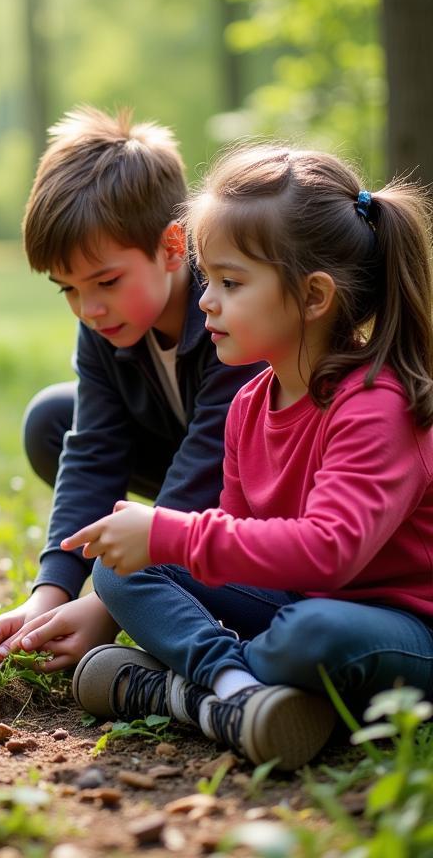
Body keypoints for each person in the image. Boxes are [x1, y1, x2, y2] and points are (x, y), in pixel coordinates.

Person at [66, 145, 433, 771]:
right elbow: (242, 548)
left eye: (232, 283)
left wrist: (173, 533)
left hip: (396, 628)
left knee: (314, 633)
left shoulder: (376, 403)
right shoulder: (250, 403)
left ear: (314, 296)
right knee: (117, 572)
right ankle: (238, 694)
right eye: (208, 279)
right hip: (292, 602)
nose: (206, 301)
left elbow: (329, 552)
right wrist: (161, 548)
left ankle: (181, 691)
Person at [0, 107, 263, 675]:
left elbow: (213, 461)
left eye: (105, 282)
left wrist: (108, 603)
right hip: (186, 454)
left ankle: (178, 578)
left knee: (201, 493)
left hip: (253, 482)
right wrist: (51, 589)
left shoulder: (232, 311)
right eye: (68, 291)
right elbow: (94, 446)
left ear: (173, 247)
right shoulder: (103, 324)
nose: (89, 309)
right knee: (54, 420)